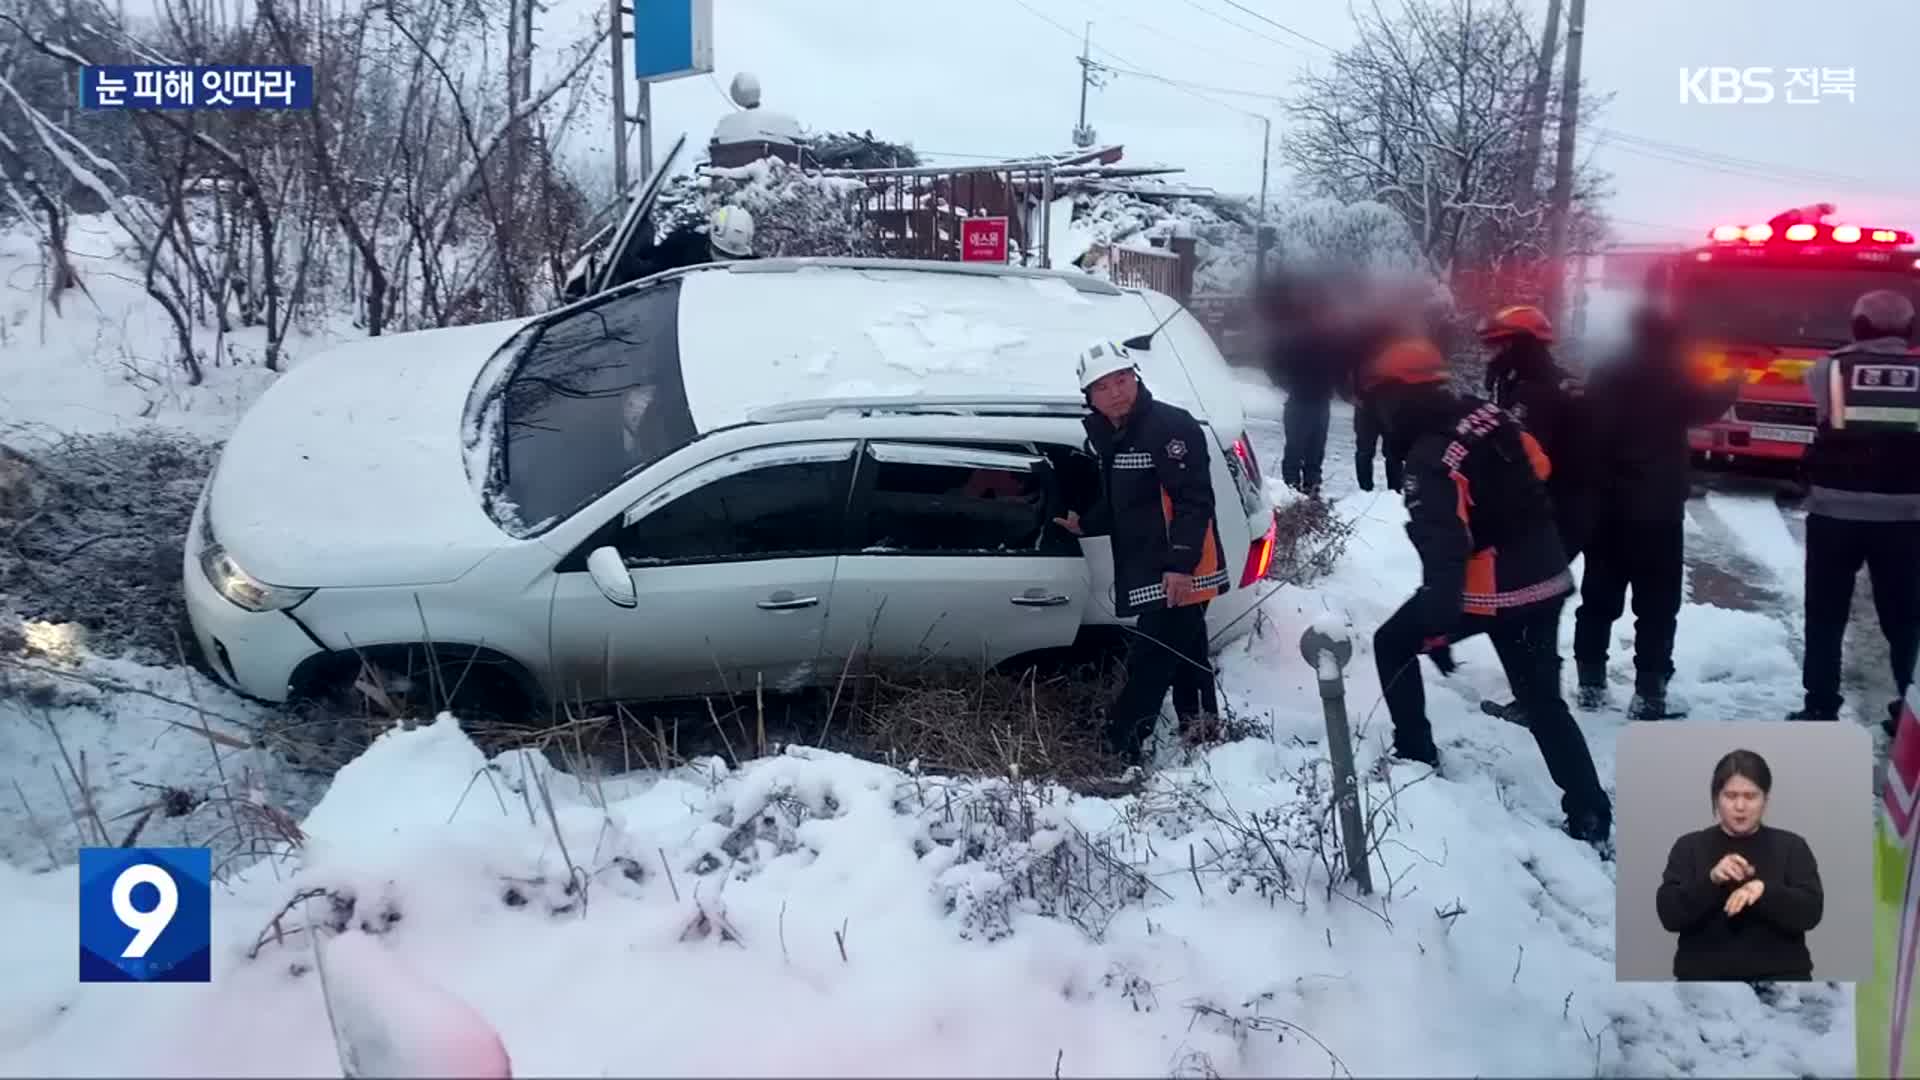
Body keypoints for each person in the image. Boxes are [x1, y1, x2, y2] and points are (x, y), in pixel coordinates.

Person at [1353, 336, 1612, 850]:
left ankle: (1415, 754)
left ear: (1395, 397)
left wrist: (1441, 622)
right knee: (1542, 702)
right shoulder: (1488, 414)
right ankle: (1589, 811)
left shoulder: (1429, 458)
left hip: (1494, 591)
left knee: (1392, 643)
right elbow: (1539, 465)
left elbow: (1445, 544)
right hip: (1547, 575)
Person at [1054, 340, 1231, 765]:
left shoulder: (1169, 427)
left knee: (1152, 658)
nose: (1116, 392)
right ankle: (1202, 729)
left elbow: (1193, 501)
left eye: (1122, 380)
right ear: (1090, 398)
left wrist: (1180, 565)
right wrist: (1087, 523)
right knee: (1186, 650)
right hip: (1152, 562)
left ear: (1136, 378)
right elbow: (1125, 497)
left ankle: (1120, 746)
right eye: (1103, 387)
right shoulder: (1115, 435)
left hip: (1181, 566)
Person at [1573, 301, 1743, 719]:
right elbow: (1705, 407)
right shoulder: (1674, 372)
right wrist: (1734, 380)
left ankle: (1590, 685)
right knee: (1656, 605)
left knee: (1598, 598)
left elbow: (1588, 425)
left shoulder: (1607, 370)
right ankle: (1650, 693)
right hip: (1657, 510)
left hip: (1607, 508)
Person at [1791, 289, 1920, 735]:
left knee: (1825, 615)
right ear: (1908, 330)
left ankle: (1820, 704)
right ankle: (1909, 706)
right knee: (1906, 620)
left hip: (1834, 512)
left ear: (1858, 327)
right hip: (1906, 518)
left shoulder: (1827, 370)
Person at [1655, 749, 1823, 981]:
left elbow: (1811, 913)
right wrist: (1711, 881)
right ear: (1716, 797)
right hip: (1703, 986)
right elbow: (1669, 916)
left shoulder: (1792, 847)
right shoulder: (1689, 847)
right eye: (1731, 796)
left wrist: (1764, 891)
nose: (1740, 807)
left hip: (1782, 984)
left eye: (1751, 796)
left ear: (1766, 799)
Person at [1353, 402, 1404, 492]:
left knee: (1394, 452)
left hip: (1394, 406)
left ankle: (1395, 491)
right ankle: (1365, 491)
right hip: (1366, 404)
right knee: (1364, 451)